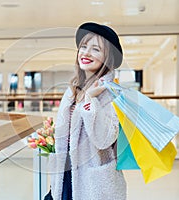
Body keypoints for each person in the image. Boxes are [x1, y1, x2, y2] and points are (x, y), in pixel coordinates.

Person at [48, 22, 127, 200]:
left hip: (93, 184)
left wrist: (89, 100)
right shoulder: (71, 90)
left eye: (95, 49)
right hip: (66, 177)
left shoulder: (112, 94)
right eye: (83, 46)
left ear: (108, 58)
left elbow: (104, 139)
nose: (86, 53)